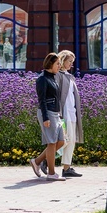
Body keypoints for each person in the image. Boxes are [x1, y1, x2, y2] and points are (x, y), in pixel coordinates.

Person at [46, 50, 83, 178]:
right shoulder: (59, 75)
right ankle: (44, 160)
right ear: (62, 61)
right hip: (64, 113)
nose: (71, 64)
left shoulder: (69, 76)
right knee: (64, 140)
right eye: (69, 61)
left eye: (72, 62)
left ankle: (66, 168)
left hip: (72, 112)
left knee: (71, 140)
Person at [29, 53, 67, 181]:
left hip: (55, 113)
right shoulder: (42, 79)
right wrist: (45, 118)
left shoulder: (53, 77)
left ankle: (37, 161)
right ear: (50, 64)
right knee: (52, 143)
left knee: (61, 141)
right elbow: (42, 100)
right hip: (48, 113)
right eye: (57, 64)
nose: (59, 66)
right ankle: (51, 173)